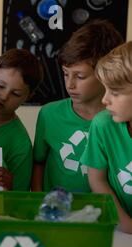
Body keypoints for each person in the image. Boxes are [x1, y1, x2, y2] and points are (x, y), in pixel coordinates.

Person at [32, 20, 123, 192]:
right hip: (56, 213)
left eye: (80, 77)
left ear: (105, 73)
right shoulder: (49, 114)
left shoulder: (120, 119)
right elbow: (38, 162)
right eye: (66, 74)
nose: (69, 85)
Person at [81, 41, 132, 233]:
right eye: (105, 89)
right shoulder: (103, 124)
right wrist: (126, 226)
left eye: (115, 92)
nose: (105, 100)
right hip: (120, 229)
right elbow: (97, 179)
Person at [0, 49, 43, 191]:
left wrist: (9, 186)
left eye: (15, 93)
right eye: (0, 86)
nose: (4, 96)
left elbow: (19, 197)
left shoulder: (19, 143)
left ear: (28, 96)